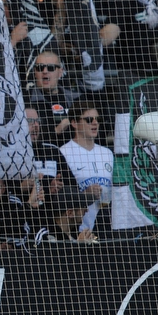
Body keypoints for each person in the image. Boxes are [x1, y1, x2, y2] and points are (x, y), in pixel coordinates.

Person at [59, 99, 113, 236]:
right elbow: (60, 195)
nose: (95, 123)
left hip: (106, 228)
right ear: (74, 123)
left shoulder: (107, 153)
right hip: (78, 231)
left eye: (97, 119)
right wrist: (84, 195)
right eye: (89, 119)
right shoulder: (63, 153)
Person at [27, 49, 80, 145]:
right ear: (35, 72)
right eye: (40, 67)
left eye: (51, 68)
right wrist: (56, 131)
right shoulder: (27, 101)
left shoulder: (76, 99)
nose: (45, 71)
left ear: (60, 72)